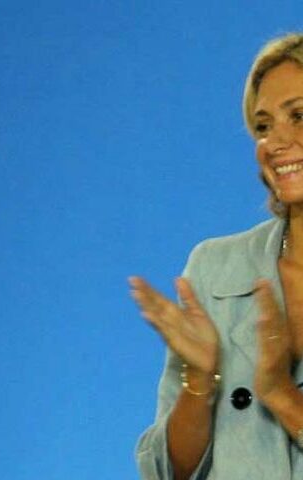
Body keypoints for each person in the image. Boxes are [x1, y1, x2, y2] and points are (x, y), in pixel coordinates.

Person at [131, 34, 303, 479]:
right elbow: (166, 472)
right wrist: (200, 381)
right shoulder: (217, 269)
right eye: (263, 126)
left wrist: (282, 395)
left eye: (299, 116)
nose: (276, 142)